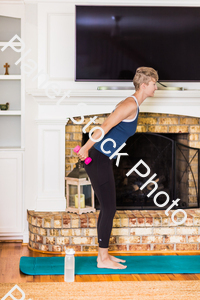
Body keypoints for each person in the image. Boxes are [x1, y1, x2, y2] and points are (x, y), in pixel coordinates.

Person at [76, 67, 159, 269]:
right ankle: (102, 259)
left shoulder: (134, 105)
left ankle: (103, 256)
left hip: (103, 158)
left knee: (108, 208)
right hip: (97, 157)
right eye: (154, 83)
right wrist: (86, 148)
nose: (156, 87)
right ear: (144, 85)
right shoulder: (129, 104)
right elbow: (104, 127)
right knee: (109, 208)